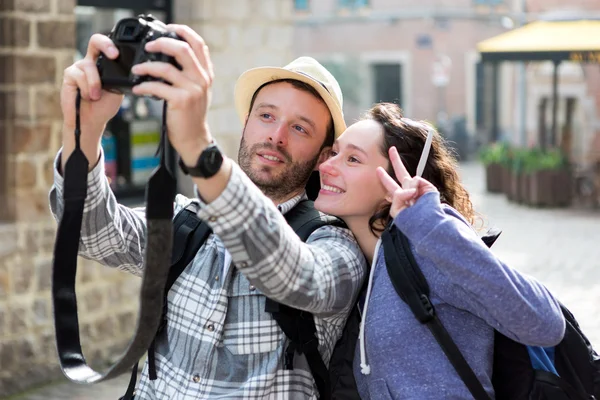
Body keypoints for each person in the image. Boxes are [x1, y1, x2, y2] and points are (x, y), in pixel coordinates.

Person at [49, 25, 367, 399]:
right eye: (266, 116)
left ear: (323, 157)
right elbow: (91, 233)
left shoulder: (337, 244)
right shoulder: (188, 222)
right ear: (246, 123)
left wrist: (199, 148)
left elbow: (294, 276)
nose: (276, 136)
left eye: (300, 128)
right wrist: (85, 131)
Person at [314, 102, 566, 399]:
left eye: (353, 159)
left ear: (397, 181)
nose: (326, 166)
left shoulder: (429, 252)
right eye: (334, 153)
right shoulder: (357, 264)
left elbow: (545, 323)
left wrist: (429, 223)